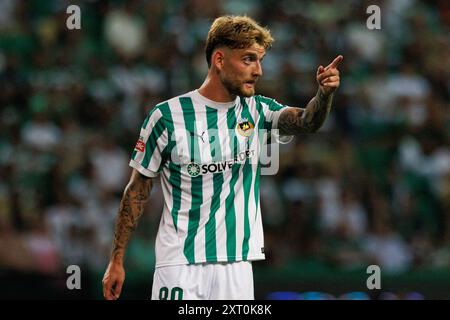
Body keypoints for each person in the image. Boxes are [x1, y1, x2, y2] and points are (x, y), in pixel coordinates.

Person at [102, 15, 342, 300]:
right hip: (180, 262)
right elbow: (137, 190)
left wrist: (324, 95)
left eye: (260, 60)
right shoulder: (166, 116)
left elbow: (306, 122)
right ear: (219, 60)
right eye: (248, 59)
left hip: (237, 264)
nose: (258, 71)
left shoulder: (258, 110)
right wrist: (116, 260)